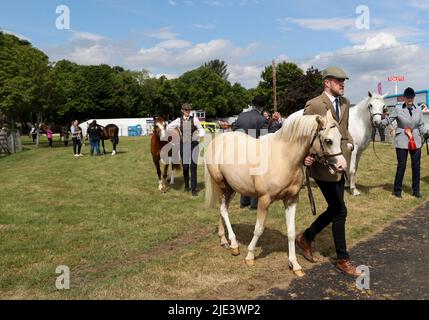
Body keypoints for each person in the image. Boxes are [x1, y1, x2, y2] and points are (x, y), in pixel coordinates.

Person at [296, 66, 363, 277]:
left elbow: (343, 130)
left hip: (340, 160)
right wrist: (305, 155)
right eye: (338, 80)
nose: (342, 83)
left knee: (336, 209)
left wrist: (350, 143)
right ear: (327, 82)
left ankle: (306, 237)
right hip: (323, 165)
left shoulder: (345, 103)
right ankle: (342, 259)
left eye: (344, 80)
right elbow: (304, 135)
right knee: (340, 210)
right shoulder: (314, 104)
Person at [381, 87, 429, 198]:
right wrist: (380, 122)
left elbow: (421, 124)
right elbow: (389, 120)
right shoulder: (398, 109)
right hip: (402, 140)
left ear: (414, 97)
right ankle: (397, 190)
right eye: (408, 97)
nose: (410, 99)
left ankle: (416, 190)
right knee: (401, 166)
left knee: (416, 166)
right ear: (404, 98)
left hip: (416, 140)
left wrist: (426, 132)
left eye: (411, 97)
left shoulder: (418, 109)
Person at [233, 95, 269, 209]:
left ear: (252, 104)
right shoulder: (262, 119)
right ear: (262, 107)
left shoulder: (241, 115)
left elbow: (234, 130)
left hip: (240, 149)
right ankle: (254, 203)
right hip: (254, 150)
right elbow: (264, 138)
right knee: (255, 178)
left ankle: (244, 201)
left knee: (244, 176)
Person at [166, 103, 205, 197]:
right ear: (182, 110)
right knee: (185, 166)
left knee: (193, 166)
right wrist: (177, 133)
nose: (188, 112)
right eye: (186, 110)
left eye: (189, 110)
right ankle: (187, 185)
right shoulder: (178, 120)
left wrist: (197, 136)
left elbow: (202, 130)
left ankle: (194, 189)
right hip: (183, 145)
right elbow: (168, 127)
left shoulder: (194, 119)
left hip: (194, 145)